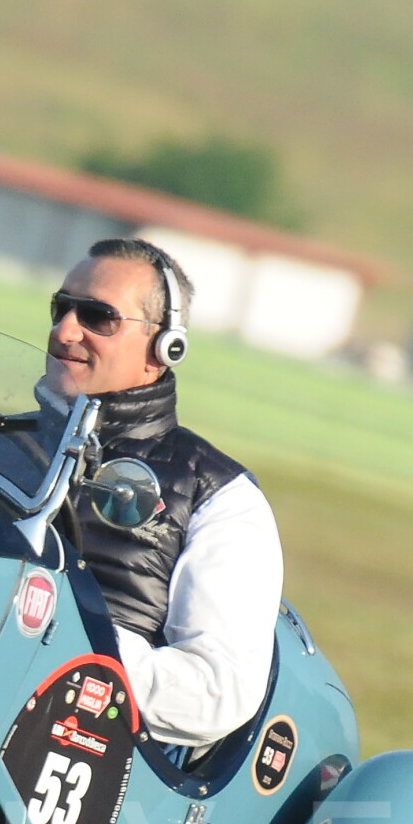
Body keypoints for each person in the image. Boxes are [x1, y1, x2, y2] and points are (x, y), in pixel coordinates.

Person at [44, 238, 284, 748]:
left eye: (98, 317)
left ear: (164, 348)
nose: (64, 331)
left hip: (85, 741)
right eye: (60, 308)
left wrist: (55, 641)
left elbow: (217, 691)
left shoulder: (220, 497)